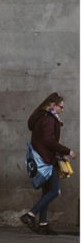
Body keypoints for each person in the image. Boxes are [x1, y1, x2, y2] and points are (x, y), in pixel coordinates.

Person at [20, 92, 75, 235]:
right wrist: (67, 151)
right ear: (52, 105)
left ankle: (43, 224)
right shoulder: (49, 120)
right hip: (47, 160)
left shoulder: (42, 118)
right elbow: (49, 141)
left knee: (46, 191)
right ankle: (30, 215)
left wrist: (60, 156)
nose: (62, 110)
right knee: (54, 191)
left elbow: (46, 142)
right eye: (61, 107)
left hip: (44, 158)